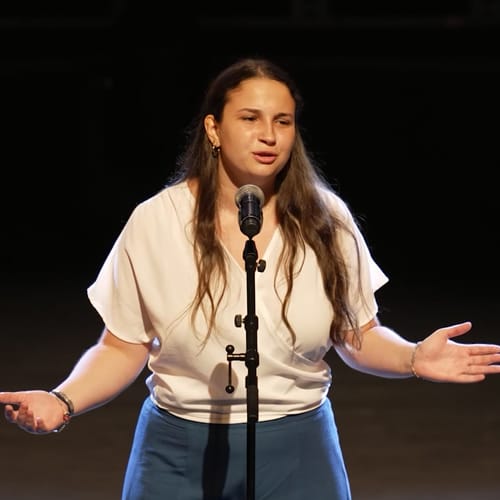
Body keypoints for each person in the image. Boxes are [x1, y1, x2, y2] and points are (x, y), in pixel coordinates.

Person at [1, 57, 499, 500]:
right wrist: (63, 399)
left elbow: (357, 336)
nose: (269, 135)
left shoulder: (327, 219)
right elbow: (122, 345)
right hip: (177, 451)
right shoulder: (155, 221)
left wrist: (412, 357)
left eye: (283, 121)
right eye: (250, 118)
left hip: (299, 449)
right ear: (213, 129)